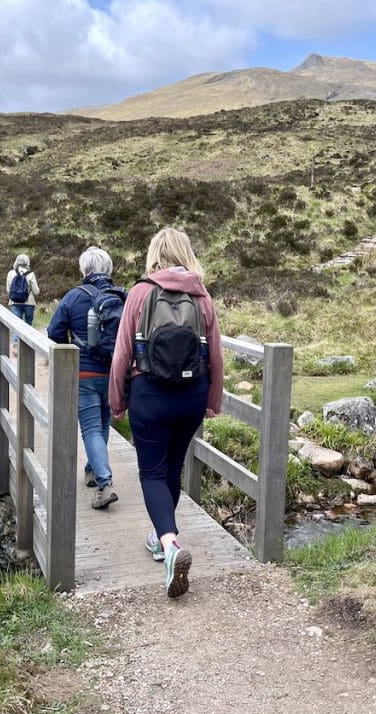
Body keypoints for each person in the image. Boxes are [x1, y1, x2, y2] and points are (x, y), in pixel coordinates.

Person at [110, 227, 223, 599]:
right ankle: (162, 538)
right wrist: (213, 399)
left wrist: (116, 401)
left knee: (153, 471)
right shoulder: (201, 295)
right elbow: (216, 355)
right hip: (191, 395)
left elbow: (123, 353)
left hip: (150, 394)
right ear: (186, 253)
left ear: (155, 253)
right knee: (172, 468)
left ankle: (170, 544)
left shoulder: (141, 292)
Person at [47, 246, 124, 510]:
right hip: (113, 373)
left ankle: (104, 482)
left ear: (85, 269)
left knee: (91, 428)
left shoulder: (74, 297)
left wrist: (73, 346)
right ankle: (92, 470)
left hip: (85, 373)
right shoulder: (119, 296)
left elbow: (54, 331)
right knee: (103, 424)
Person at [6, 253, 39, 325]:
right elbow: (36, 291)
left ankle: (16, 337)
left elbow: (8, 290)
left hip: (14, 302)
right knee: (28, 324)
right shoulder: (31, 274)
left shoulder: (10, 273)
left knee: (16, 325)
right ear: (28, 262)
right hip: (29, 303)